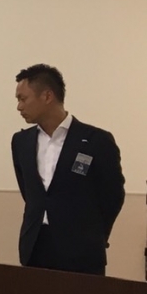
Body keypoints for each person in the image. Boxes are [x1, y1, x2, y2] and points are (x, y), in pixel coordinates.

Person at [11, 64, 125, 275]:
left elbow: (113, 196)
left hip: (82, 252)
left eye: (23, 99)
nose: (19, 106)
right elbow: (30, 192)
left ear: (47, 96)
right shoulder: (21, 142)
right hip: (35, 248)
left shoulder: (96, 141)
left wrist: (96, 235)